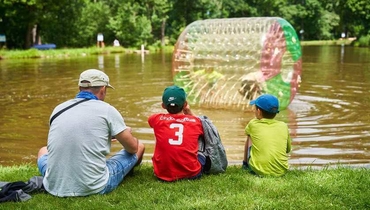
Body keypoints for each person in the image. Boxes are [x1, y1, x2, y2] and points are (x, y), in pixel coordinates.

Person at [37, 69, 145, 197]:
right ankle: (127, 173)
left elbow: (69, 135)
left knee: (43, 150)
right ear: (103, 89)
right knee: (139, 146)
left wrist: (103, 136)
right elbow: (132, 149)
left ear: (79, 87)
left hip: (53, 186)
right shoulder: (107, 110)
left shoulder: (59, 108)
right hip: (94, 186)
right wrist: (126, 133)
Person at [148, 85, 206, 182]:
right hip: (191, 173)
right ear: (185, 104)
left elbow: (152, 121)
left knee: (159, 131)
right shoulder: (195, 121)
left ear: (163, 106)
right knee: (201, 137)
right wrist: (189, 112)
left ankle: (165, 162)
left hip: (161, 174)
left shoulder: (155, 119)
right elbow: (204, 127)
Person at [242, 94, 291, 176]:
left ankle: (245, 165)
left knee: (250, 136)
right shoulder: (283, 126)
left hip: (258, 170)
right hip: (281, 171)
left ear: (258, 111)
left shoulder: (253, 124)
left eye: (255, 108)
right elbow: (288, 150)